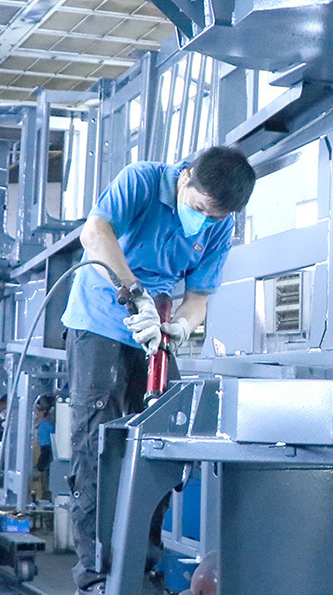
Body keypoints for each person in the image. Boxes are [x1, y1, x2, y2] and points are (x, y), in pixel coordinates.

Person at [61, 146, 255, 595]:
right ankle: (95, 576)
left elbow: (199, 296)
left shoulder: (219, 224)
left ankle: (141, 571)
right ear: (186, 177)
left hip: (154, 334)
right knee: (97, 446)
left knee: (159, 444)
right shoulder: (141, 180)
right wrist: (135, 294)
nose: (203, 222)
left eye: (214, 217)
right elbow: (95, 233)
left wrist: (181, 326)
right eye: (199, 209)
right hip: (99, 323)